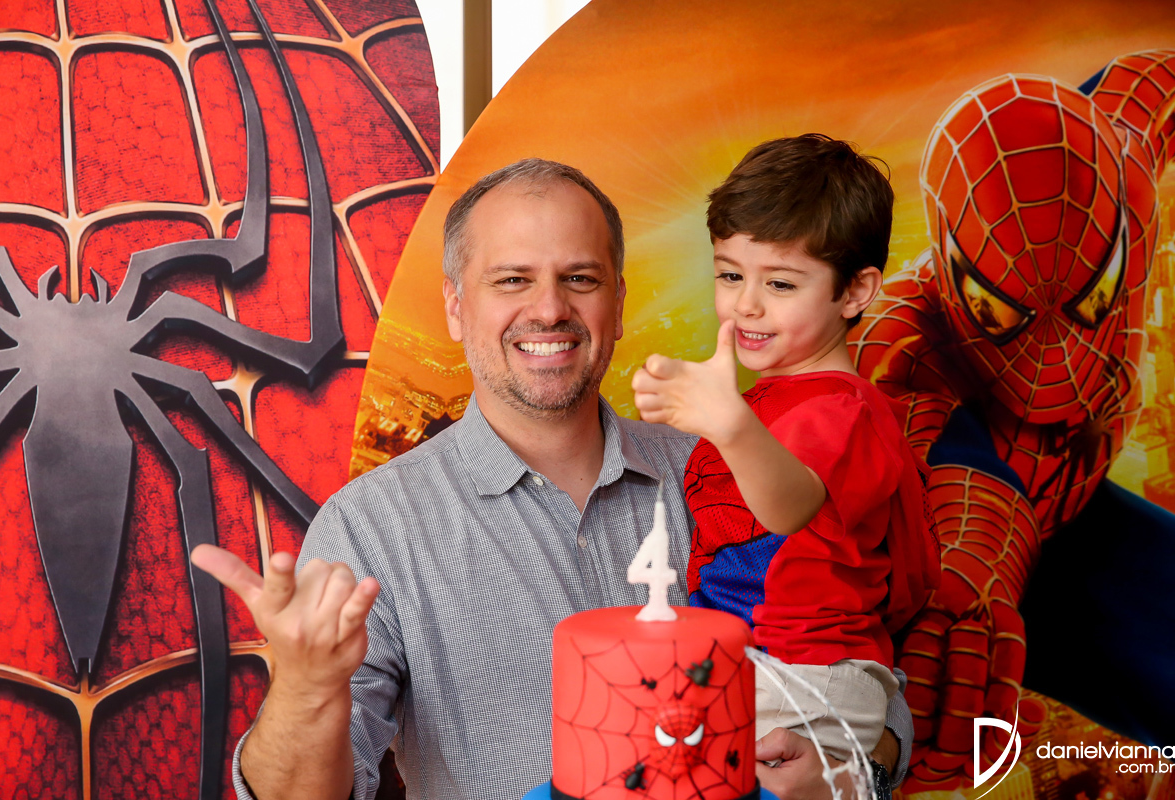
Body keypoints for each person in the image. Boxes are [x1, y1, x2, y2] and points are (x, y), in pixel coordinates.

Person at [191, 157, 914, 800]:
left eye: (580, 279)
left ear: (618, 302)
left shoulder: (720, 468)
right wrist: (309, 688)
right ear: (455, 305)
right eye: (513, 280)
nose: (548, 309)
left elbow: (856, 655)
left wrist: (862, 769)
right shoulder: (370, 527)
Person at [631, 135, 939, 762]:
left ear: (855, 292)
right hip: (768, 666)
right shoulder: (779, 398)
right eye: (730, 275)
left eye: (779, 283)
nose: (746, 304)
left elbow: (788, 505)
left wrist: (729, 423)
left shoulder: (840, 409)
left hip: (800, 672)